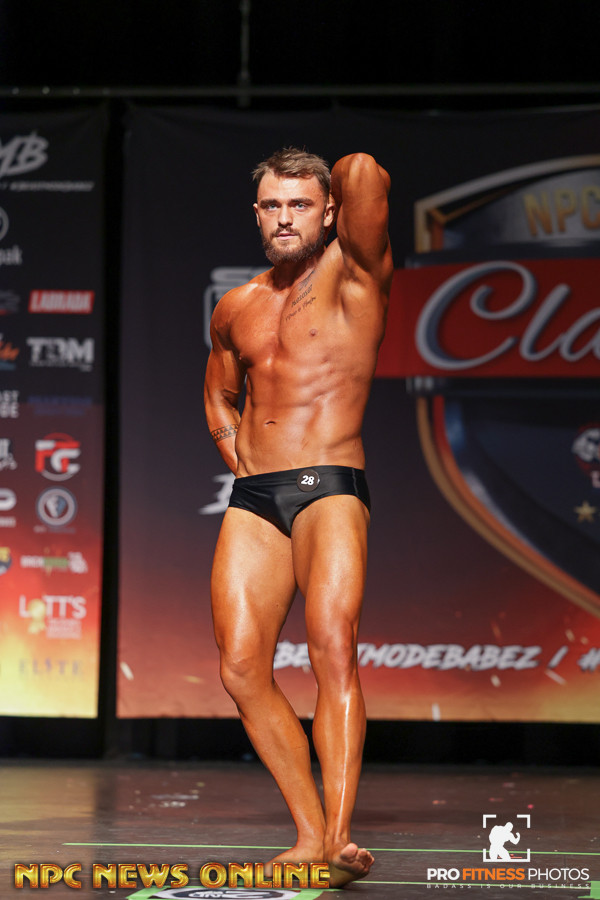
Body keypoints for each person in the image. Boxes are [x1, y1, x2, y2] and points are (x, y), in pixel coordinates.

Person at [204, 146, 392, 887]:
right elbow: (219, 393)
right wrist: (240, 458)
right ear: (256, 214)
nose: (285, 218)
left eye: (301, 204)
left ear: (329, 211)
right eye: (273, 206)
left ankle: (341, 837)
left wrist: (339, 180)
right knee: (241, 666)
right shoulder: (237, 304)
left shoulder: (356, 276)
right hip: (257, 496)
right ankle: (310, 835)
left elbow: (365, 172)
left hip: (330, 486)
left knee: (332, 648)